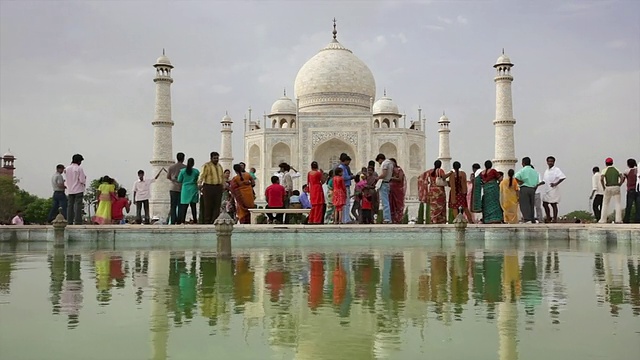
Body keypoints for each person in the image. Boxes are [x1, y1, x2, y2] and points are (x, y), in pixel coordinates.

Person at [198, 152, 225, 224]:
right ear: (211, 158)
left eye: (217, 158)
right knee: (208, 205)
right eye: (214, 158)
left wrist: (223, 185)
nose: (216, 160)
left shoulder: (219, 166)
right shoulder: (206, 166)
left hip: (218, 187)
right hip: (208, 187)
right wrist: (199, 184)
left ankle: (215, 220)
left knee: (217, 205)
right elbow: (202, 175)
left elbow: (222, 177)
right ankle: (207, 221)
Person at [514, 157, 541, 223]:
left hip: (525, 188)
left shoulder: (523, 170)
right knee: (531, 205)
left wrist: (520, 182)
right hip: (532, 189)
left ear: (523, 163)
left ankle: (527, 219)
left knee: (524, 204)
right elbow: (537, 182)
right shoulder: (535, 172)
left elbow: (516, 176)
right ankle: (532, 219)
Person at [599, 157, 624, 224]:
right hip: (616, 187)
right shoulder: (617, 169)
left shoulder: (605, 170)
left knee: (605, 204)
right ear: (612, 163)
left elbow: (601, 179)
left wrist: (604, 186)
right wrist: (620, 184)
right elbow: (622, 177)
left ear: (606, 163)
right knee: (618, 203)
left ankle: (603, 219)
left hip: (608, 187)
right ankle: (618, 219)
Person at [542, 156, 566, 223]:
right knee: (545, 204)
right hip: (547, 189)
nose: (550, 163)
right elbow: (544, 180)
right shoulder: (546, 171)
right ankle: (548, 217)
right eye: (549, 161)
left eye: (551, 161)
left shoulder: (556, 170)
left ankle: (555, 218)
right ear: (547, 162)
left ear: (554, 162)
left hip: (553, 189)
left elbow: (563, 177)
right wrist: (537, 184)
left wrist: (556, 183)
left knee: (553, 204)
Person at [177, 158, 200, 224]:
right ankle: (195, 220)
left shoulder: (182, 171)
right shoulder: (196, 171)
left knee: (184, 207)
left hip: (185, 189)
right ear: (193, 163)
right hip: (193, 188)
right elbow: (199, 179)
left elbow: (179, 180)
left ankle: (182, 221)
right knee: (193, 207)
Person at [65, 154, 86, 225]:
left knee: (70, 206)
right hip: (78, 189)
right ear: (79, 161)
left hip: (70, 190)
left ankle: (69, 221)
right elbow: (82, 180)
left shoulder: (67, 169)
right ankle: (78, 221)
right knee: (77, 206)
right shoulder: (79, 168)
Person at [167, 152, 186, 225]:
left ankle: (172, 220)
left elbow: (168, 177)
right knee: (181, 205)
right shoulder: (185, 167)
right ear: (183, 158)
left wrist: (174, 180)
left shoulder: (171, 167)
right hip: (182, 188)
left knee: (173, 205)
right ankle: (179, 221)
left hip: (173, 188)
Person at [426, 160, 447, 224]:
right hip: (439, 191)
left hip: (432, 191)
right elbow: (443, 177)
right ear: (440, 165)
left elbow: (426, 180)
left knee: (433, 207)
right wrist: (450, 173)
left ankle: (433, 219)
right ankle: (440, 220)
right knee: (440, 206)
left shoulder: (430, 171)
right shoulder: (440, 170)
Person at [337, 154, 356, 224]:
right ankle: (346, 219)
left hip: (345, 187)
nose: (349, 163)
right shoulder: (342, 167)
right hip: (344, 187)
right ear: (345, 161)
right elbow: (343, 177)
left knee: (346, 203)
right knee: (346, 203)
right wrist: (351, 177)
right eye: (348, 161)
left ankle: (345, 219)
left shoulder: (344, 167)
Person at [376, 153, 393, 224]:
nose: (379, 163)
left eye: (379, 161)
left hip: (384, 183)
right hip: (387, 183)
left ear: (380, 159)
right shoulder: (390, 163)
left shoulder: (385, 163)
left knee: (385, 202)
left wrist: (377, 178)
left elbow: (384, 174)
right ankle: (387, 218)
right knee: (386, 202)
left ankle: (387, 219)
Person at [389, 158, 406, 224]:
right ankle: (393, 219)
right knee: (392, 204)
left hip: (398, 190)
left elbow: (400, 178)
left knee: (398, 205)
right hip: (391, 190)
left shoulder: (399, 170)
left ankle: (399, 219)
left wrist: (391, 178)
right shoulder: (390, 171)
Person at [623, 158, 639, 223]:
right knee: (638, 206)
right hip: (638, 189)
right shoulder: (637, 170)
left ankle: (626, 219)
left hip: (630, 190)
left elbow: (623, 178)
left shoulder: (627, 171)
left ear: (628, 164)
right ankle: (638, 219)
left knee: (629, 206)